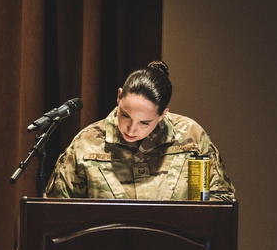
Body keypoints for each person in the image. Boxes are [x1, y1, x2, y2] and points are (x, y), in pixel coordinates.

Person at [45, 60, 235, 201]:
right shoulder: (86, 143)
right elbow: (58, 211)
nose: (132, 129)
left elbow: (222, 201)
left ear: (163, 114)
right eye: (125, 115)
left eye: (145, 122)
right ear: (119, 97)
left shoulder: (190, 137)